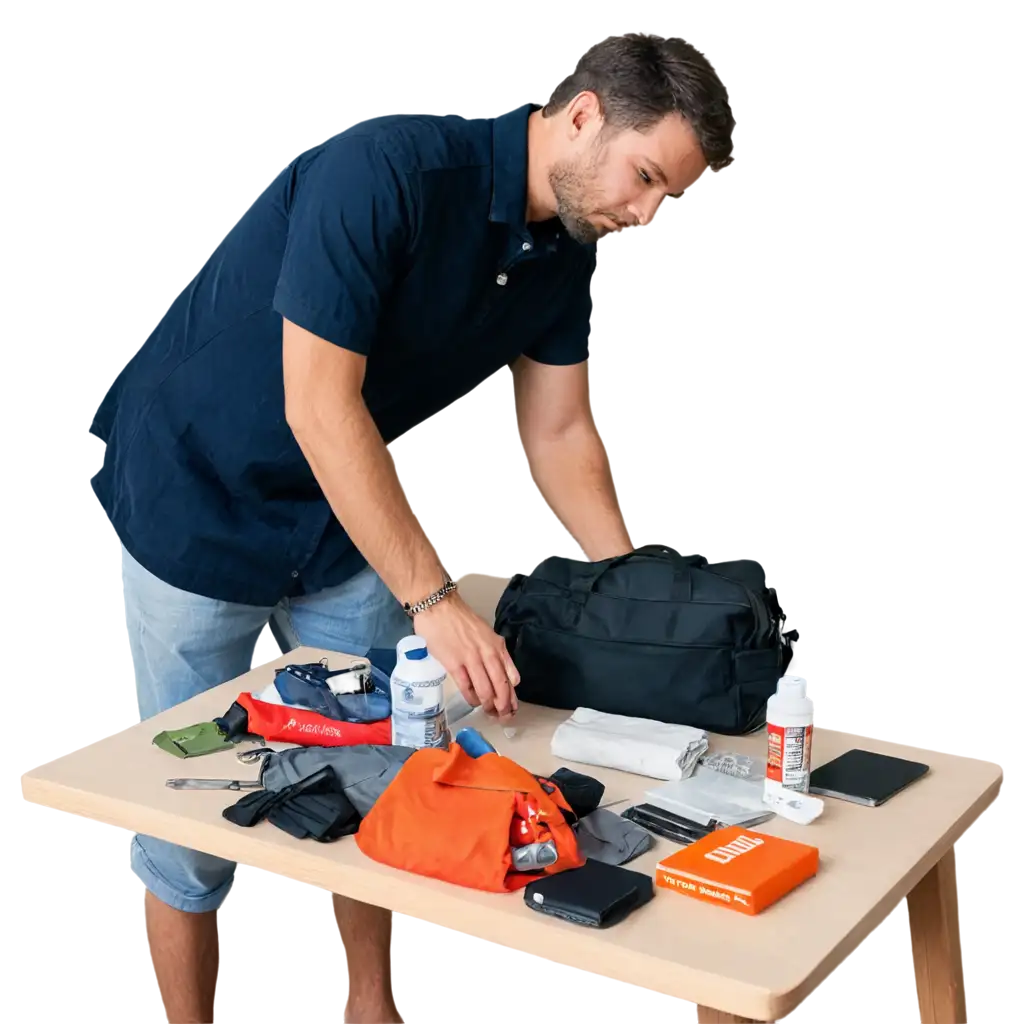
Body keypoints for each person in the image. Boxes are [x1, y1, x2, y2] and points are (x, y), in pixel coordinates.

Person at [87, 29, 730, 1024]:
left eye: (664, 197)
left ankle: (369, 1007)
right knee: (187, 813)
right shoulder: (381, 171)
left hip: (342, 517)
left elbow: (559, 434)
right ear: (585, 116)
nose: (643, 213)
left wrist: (638, 606)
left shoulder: (565, 250)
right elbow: (316, 404)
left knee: (395, 772)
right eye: (645, 178)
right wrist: (432, 598)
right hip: (196, 499)